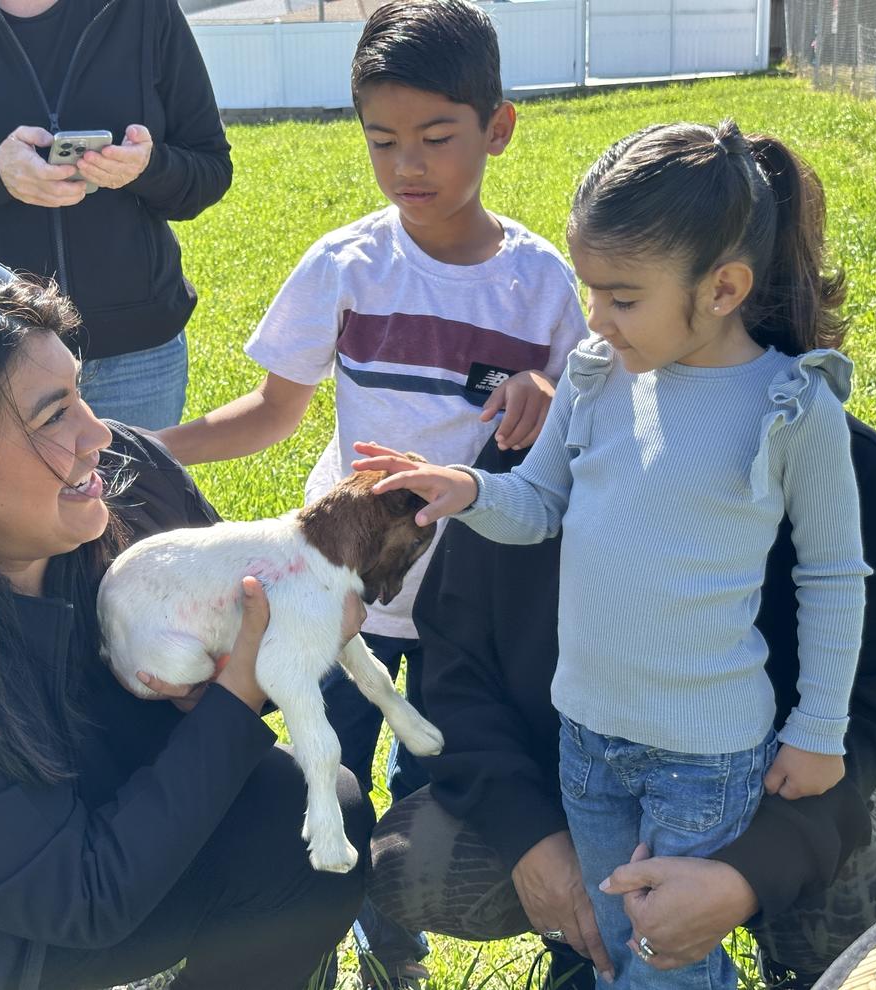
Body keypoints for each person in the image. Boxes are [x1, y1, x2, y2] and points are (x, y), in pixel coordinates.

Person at [353, 120, 876, 989]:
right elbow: (542, 507)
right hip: (586, 742)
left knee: (667, 955)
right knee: (610, 939)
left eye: (622, 297)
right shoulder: (595, 378)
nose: (595, 319)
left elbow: (832, 577)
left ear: (723, 289)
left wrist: (819, 730)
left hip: (703, 757)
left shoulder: (791, 407)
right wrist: (470, 490)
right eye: (591, 290)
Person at [0, 261, 371, 990]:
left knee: (309, 817)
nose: (99, 435)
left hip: (97, 847)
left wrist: (260, 647)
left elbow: (256, 627)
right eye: (53, 415)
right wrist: (233, 700)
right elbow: (83, 900)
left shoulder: (135, 489)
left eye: (80, 394)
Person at [155, 2, 587, 983]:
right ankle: (322, 943)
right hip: (338, 599)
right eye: (383, 141)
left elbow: (582, 425)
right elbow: (272, 412)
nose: (407, 167)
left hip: (464, 611)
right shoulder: (347, 265)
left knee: (436, 792)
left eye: (437, 139)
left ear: (500, 128)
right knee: (323, 780)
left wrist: (544, 392)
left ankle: (398, 934)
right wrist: (152, 442)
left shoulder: (540, 286)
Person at [366, 417, 876, 990]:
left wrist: (750, 875)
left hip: (769, 789)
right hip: (576, 787)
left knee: (856, 859)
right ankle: (584, 951)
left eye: (624, 317)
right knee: (414, 861)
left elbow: (870, 710)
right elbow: (457, 664)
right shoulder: (541, 444)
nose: (597, 326)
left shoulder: (845, 461)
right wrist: (529, 836)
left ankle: (809, 966)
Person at [0, 0, 233, 429]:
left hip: (135, 358)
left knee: (131, 498)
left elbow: (210, 169)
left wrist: (148, 168)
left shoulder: (144, 10)